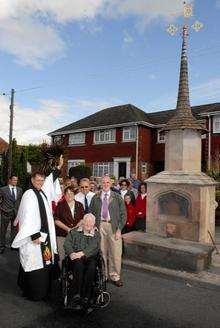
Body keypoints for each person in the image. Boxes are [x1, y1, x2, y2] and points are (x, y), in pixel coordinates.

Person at [12, 156, 63, 301]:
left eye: (42, 180)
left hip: (45, 237)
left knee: (45, 262)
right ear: (32, 181)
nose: (40, 182)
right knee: (34, 263)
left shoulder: (42, 192)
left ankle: (43, 290)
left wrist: (58, 168)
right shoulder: (29, 194)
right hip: (35, 237)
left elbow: (49, 181)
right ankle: (34, 292)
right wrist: (34, 235)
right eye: (38, 180)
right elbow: (26, 216)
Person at [89, 175, 126, 287]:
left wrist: (119, 229)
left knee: (115, 253)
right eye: (103, 182)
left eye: (107, 182)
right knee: (102, 252)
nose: (105, 184)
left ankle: (115, 276)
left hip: (113, 227)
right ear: (100, 184)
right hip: (100, 226)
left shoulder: (117, 197)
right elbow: (91, 213)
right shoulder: (95, 197)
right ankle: (103, 275)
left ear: (111, 184)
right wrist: (93, 226)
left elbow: (124, 214)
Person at [64, 213, 100, 307]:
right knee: (78, 265)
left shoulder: (96, 234)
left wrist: (81, 254)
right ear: (83, 222)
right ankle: (77, 294)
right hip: (75, 257)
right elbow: (67, 243)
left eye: (91, 222)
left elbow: (94, 247)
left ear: (94, 224)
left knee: (91, 267)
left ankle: (87, 295)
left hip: (90, 257)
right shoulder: (74, 232)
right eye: (87, 221)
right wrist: (71, 253)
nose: (88, 224)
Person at [54, 186, 84, 267]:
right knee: (62, 256)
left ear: (74, 194)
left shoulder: (79, 205)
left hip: (76, 235)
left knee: (75, 255)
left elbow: (82, 219)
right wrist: (67, 229)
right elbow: (56, 220)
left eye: (71, 193)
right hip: (62, 235)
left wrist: (74, 229)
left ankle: (73, 273)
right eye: (67, 193)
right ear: (64, 195)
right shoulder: (60, 205)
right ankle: (62, 275)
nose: (69, 195)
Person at [0, 175, 22, 254]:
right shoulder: (3, 189)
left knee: (14, 231)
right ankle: (1, 246)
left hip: (15, 213)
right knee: (3, 230)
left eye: (16, 180)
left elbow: (19, 201)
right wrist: (1, 208)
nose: (15, 182)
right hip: (5, 212)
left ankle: (14, 245)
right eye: (14, 180)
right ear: (10, 180)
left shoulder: (20, 190)